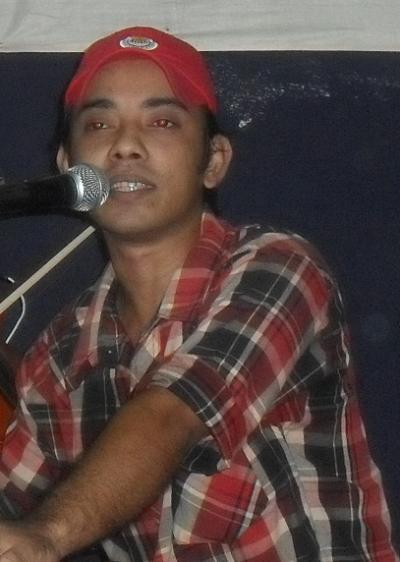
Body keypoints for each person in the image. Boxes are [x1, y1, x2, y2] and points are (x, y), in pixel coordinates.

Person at [0, 26, 398, 562]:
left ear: (213, 161)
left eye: (162, 122)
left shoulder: (278, 266)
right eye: (99, 124)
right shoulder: (60, 354)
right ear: (68, 166)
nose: (125, 146)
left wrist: (47, 535)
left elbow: (174, 413)